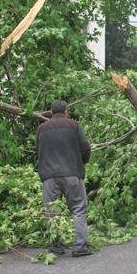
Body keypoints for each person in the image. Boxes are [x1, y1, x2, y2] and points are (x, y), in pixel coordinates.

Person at [36, 100, 92, 257]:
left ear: (51, 112)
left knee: (51, 211)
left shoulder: (41, 128)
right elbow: (85, 148)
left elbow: (38, 151)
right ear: (66, 111)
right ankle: (80, 246)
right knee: (79, 208)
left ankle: (56, 246)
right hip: (72, 173)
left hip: (49, 176)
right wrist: (82, 163)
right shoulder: (74, 125)